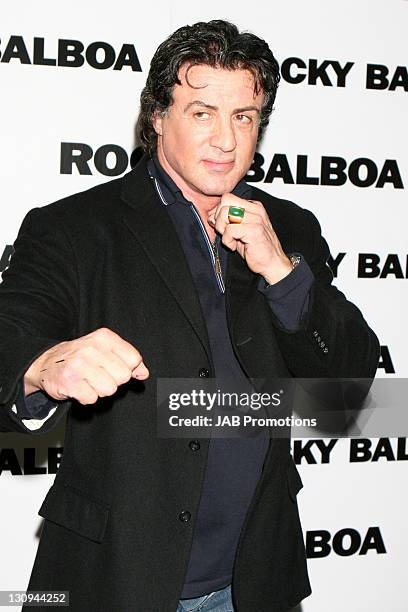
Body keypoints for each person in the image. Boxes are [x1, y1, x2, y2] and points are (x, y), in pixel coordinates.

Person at [0, 19, 379, 612]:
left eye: (244, 117)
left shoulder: (292, 228)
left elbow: (349, 383)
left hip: (256, 576)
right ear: (157, 118)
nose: (226, 141)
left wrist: (282, 271)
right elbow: (10, 334)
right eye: (202, 113)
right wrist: (46, 364)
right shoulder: (73, 227)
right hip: (114, 577)